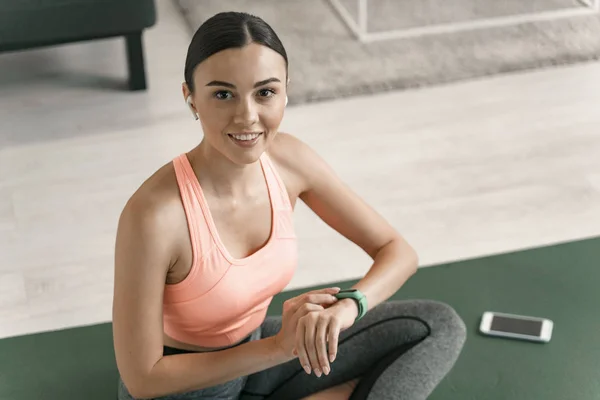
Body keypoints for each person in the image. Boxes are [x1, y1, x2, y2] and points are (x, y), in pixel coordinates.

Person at [112, 11, 466, 400]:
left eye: (265, 92)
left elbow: (397, 251)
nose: (247, 116)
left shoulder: (289, 160)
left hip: (259, 356)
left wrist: (349, 307)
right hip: (185, 386)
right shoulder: (154, 215)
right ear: (190, 98)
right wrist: (280, 348)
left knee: (435, 326)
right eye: (223, 94)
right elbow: (143, 379)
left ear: (285, 91)